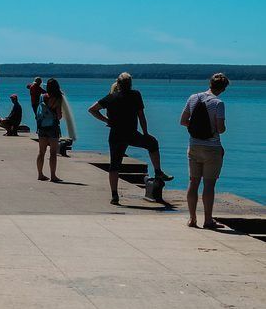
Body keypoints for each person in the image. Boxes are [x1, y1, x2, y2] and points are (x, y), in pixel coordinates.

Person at [89, 72, 172, 205]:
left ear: (118, 83)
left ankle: (114, 195)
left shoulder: (111, 97)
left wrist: (106, 120)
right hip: (131, 134)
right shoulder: (135, 95)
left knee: (114, 165)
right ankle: (157, 171)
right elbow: (141, 116)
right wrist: (145, 133)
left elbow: (92, 109)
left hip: (116, 135)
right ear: (130, 84)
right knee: (152, 143)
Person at [180, 73, 230, 229]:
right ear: (222, 88)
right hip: (212, 148)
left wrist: (196, 129)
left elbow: (183, 121)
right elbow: (221, 129)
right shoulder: (218, 103)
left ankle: (192, 219)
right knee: (209, 185)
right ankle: (208, 220)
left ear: (210, 83)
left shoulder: (193, 97)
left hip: (194, 146)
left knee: (193, 182)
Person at [36, 77, 64, 181]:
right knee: (53, 152)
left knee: (41, 152)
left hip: (42, 125)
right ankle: (53, 176)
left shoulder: (42, 96)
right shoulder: (58, 97)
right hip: (53, 126)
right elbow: (59, 115)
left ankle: (40, 174)